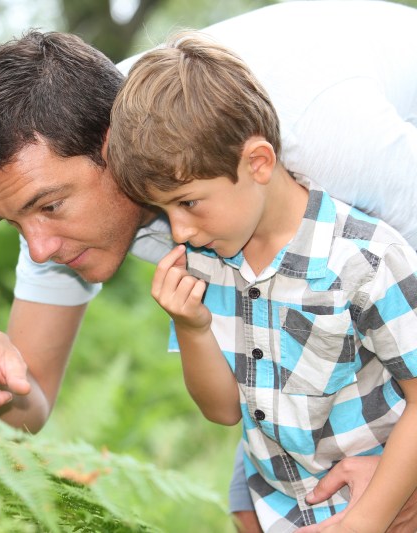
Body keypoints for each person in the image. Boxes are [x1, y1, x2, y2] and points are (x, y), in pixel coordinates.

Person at [0, 1, 417, 531]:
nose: (39, 248)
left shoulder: (308, 136)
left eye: (49, 208)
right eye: (14, 223)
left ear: (115, 150)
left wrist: (391, 486)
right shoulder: (48, 191)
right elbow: (31, 405)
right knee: (248, 506)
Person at [107, 29, 417, 532]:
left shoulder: (365, 259)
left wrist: (366, 522)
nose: (178, 231)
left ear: (258, 163)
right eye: (162, 210)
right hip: (282, 513)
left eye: (187, 202)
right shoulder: (206, 260)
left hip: (385, 507)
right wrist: (191, 327)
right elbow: (224, 410)